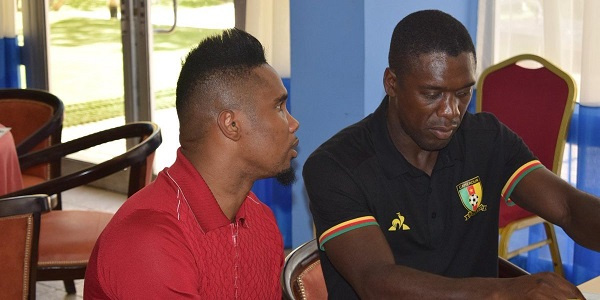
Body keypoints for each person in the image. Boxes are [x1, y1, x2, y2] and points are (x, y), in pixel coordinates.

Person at [303, 9, 600, 299]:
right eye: (432, 95)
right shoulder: (336, 167)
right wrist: (502, 291)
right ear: (391, 83)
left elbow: (566, 207)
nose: (451, 112)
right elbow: (376, 280)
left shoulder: (487, 139)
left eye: (462, 94)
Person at [84, 28, 300, 299]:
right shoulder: (148, 240)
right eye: (279, 107)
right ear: (231, 124)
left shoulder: (260, 221)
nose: (293, 123)